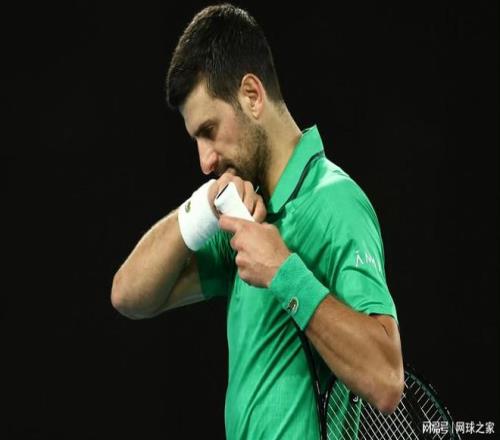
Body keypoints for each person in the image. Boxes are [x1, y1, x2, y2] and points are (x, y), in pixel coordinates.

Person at [111, 4, 404, 439]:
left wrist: (284, 273)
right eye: (196, 140)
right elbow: (128, 295)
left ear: (252, 95)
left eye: (209, 130)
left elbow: (386, 380)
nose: (205, 161)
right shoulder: (241, 214)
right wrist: (203, 209)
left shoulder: (337, 203)